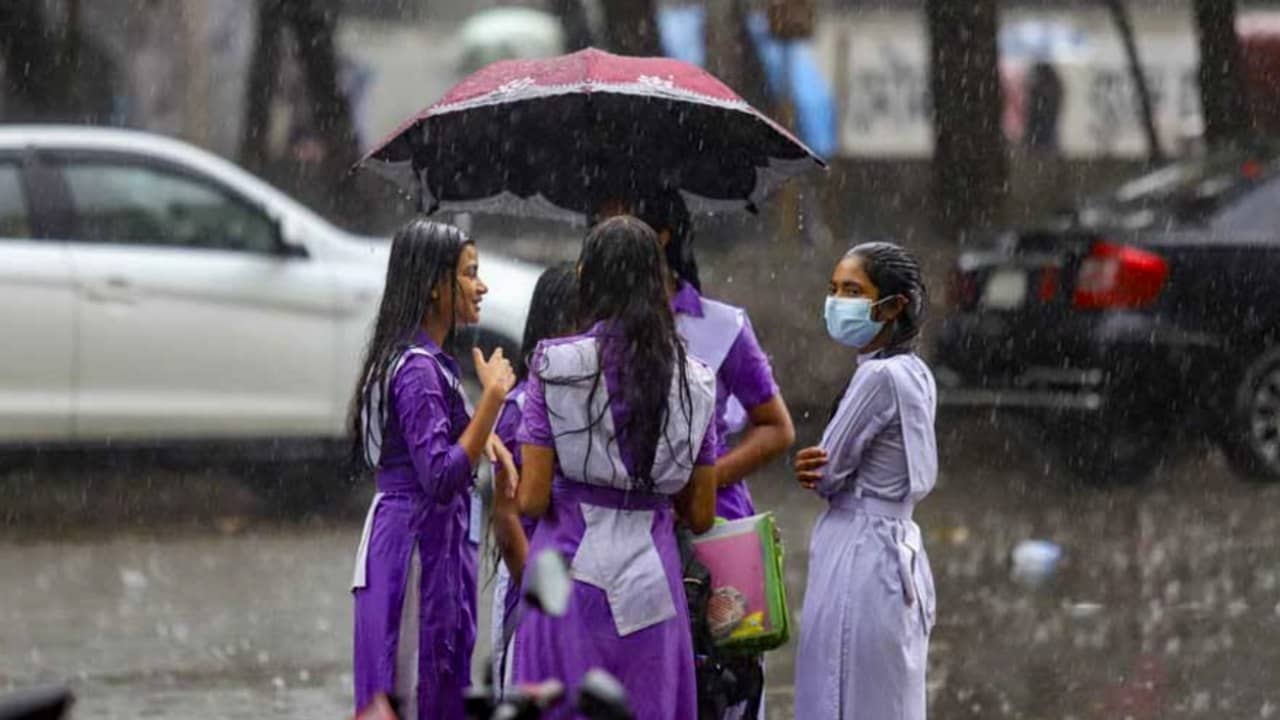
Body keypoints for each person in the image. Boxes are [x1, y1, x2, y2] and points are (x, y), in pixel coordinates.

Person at [513, 216, 719, 719]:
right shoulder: (696, 382)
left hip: (565, 572)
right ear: (657, 283)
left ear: (587, 279)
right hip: (653, 582)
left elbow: (532, 499)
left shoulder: (554, 364)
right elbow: (701, 514)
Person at [604, 194, 794, 719]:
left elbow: (776, 427)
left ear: (661, 235)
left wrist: (702, 484)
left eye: (618, 220)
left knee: (724, 675)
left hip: (715, 527)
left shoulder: (722, 325)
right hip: (634, 529)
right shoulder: (603, 329)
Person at [348, 218, 517, 720]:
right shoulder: (418, 370)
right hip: (414, 550)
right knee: (418, 691)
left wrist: (485, 431)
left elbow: (450, 443)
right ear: (435, 286)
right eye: (469, 273)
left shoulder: (428, 360)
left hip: (428, 541)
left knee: (437, 684)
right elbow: (440, 476)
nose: (481, 287)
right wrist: (491, 401)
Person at [792, 241, 938, 720]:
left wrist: (810, 468)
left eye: (853, 291)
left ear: (893, 306)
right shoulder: (916, 372)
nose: (838, 302)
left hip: (860, 551)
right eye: (834, 289)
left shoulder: (877, 379)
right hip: (897, 549)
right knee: (888, 697)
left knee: (841, 695)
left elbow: (826, 472)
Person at [489, 262, 578, 692]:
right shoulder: (520, 408)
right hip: (532, 584)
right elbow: (507, 520)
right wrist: (546, 597)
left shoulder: (589, 402)